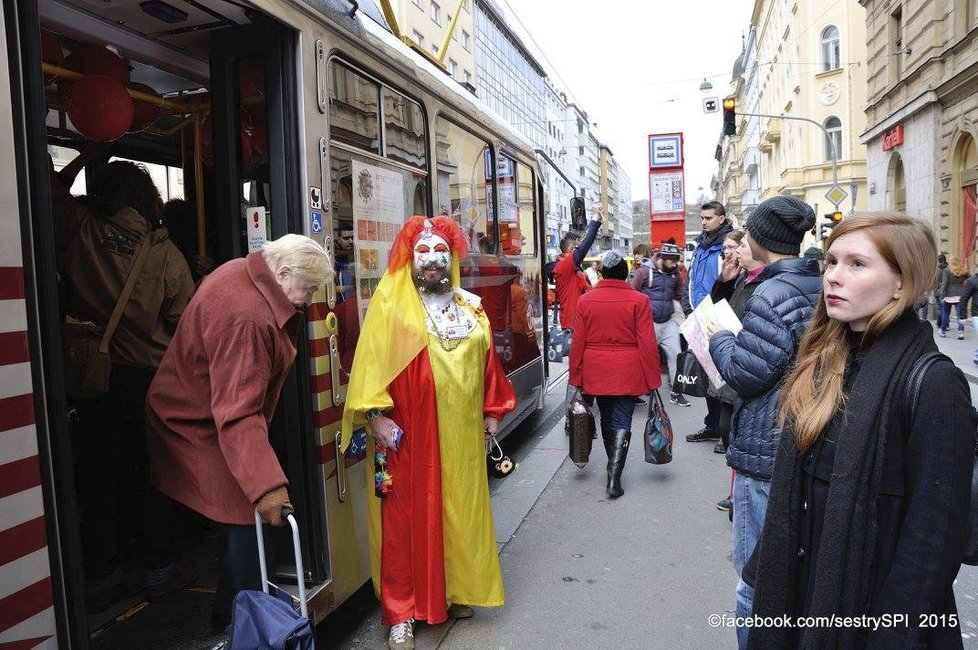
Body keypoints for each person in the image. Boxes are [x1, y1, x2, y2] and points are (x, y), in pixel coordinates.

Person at [745, 213, 976, 649]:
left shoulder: (933, 384)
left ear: (902, 283)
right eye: (831, 262)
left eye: (857, 264)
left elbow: (933, 542)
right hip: (804, 603)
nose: (834, 277)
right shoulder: (822, 360)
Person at [341, 216, 516, 650]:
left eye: (442, 252)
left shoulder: (470, 307)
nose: (434, 261)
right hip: (408, 436)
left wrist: (492, 410)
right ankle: (401, 610)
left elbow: (488, 363)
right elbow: (370, 364)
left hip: (461, 437)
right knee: (403, 522)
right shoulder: (391, 308)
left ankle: (454, 591)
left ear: (453, 258)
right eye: (424, 253)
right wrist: (376, 416)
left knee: (459, 513)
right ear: (409, 259)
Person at [146, 234, 333, 632]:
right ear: (282, 273)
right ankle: (239, 622)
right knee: (245, 518)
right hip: (194, 423)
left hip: (200, 410)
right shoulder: (246, 318)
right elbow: (238, 412)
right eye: (310, 288)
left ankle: (234, 611)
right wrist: (266, 486)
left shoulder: (246, 274)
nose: (310, 299)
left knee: (243, 517)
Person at [50, 157, 197, 611]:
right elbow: (185, 319)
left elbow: (50, 188)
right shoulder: (164, 253)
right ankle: (157, 567)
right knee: (154, 474)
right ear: (145, 199)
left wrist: (84, 154)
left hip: (90, 375)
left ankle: (101, 576)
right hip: (148, 378)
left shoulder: (79, 228)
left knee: (99, 475)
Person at [704, 195, 820, 648]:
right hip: (795, 437)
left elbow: (746, 373)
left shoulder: (773, 292)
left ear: (762, 238)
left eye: (748, 232)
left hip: (765, 447)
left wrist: (721, 339)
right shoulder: (811, 282)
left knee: (754, 576)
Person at [570, 251, 661, 498]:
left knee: (606, 417)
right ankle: (614, 476)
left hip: (596, 370)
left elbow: (577, 342)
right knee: (623, 420)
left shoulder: (586, 301)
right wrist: (653, 380)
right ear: (626, 274)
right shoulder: (639, 301)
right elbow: (647, 343)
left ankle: (612, 466)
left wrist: (576, 378)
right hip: (628, 371)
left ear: (602, 274)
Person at [709, 230, 767, 461]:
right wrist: (724, 281)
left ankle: (738, 491)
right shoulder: (743, 277)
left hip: (746, 359)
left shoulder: (765, 282)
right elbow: (718, 305)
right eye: (728, 249)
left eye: (739, 246)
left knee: (736, 432)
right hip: (732, 356)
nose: (732, 253)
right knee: (726, 428)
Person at [686, 201, 734, 443]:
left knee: (723, 375)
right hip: (700, 316)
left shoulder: (727, 244)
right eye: (702, 218)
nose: (703, 222)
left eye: (708, 218)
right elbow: (692, 278)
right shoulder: (701, 245)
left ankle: (726, 430)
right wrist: (690, 310)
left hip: (719, 316)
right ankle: (713, 425)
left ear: (722, 219)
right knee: (708, 376)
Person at [631, 243, 689, 407]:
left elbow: (678, 295)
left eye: (677, 261)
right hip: (649, 322)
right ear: (663, 258)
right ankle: (637, 390)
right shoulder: (643, 272)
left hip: (668, 320)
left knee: (676, 356)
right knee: (644, 357)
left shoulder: (675, 275)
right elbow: (632, 293)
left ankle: (676, 392)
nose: (676, 264)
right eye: (672, 261)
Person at [552, 202, 603, 331]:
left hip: (579, 324)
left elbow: (588, 292)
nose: (580, 251)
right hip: (571, 327)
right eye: (576, 247)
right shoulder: (564, 266)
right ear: (571, 249)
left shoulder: (574, 271)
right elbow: (584, 246)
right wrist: (595, 220)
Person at [938, 255, 969, 338]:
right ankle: (960, 332)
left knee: (945, 314)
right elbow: (970, 280)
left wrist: (941, 296)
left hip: (948, 296)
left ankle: (943, 330)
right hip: (960, 295)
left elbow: (944, 284)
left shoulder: (947, 271)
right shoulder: (963, 271)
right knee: (960, 315)